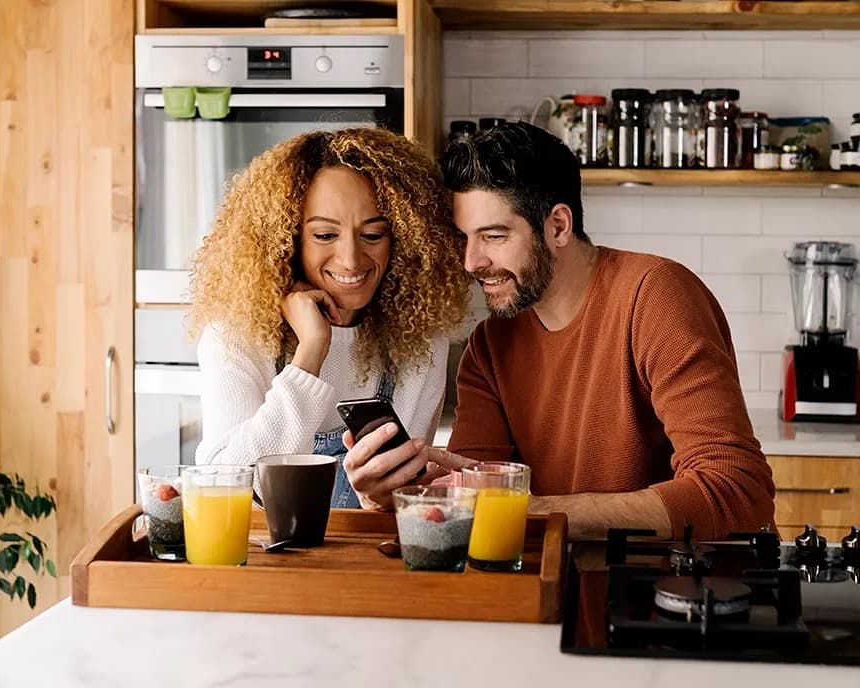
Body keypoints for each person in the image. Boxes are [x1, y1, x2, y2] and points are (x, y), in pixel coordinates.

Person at [343, 121, 776, 540]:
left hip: (669, 603)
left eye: (493, 236)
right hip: (549, 601)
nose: (471, 262)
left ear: (558, 226)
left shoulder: (654, 296)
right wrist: (386, 499)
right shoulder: (490, 347)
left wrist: (529, 510)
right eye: (464, 239)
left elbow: (736, 492)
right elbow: (471, 510)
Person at [188, 127, 470, 508]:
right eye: (324, 235)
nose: (351, 260)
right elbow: (223, 486)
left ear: (402, 240)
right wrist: (312, 351)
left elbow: (400, 497)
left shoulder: (420, 339)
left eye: (373, 235)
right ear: (287, 239)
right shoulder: (235, 333)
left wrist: (380, 497)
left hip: (365, 559)